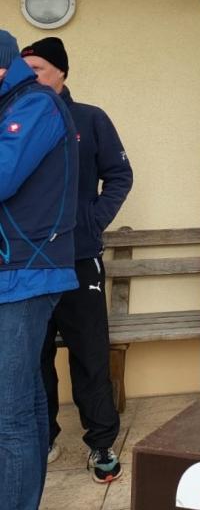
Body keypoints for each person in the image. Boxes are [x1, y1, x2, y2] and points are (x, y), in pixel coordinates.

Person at [22, 37, 133, 484]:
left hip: (78, 259)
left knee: (89, 355)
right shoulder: (13, 122)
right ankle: (43, 437)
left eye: (38, 68)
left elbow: (119, 175)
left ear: (62, 73)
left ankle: (101, 442)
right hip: (28, 266)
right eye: (24, 69)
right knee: (35, 357)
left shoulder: (89, 119)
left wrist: (92, 221)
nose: (29, 77)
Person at [0, 29, 78, 510]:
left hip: (24, 276)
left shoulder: (35, 106)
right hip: (17, 275)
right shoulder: (16, 105)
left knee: (8, 419)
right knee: (23, 410)